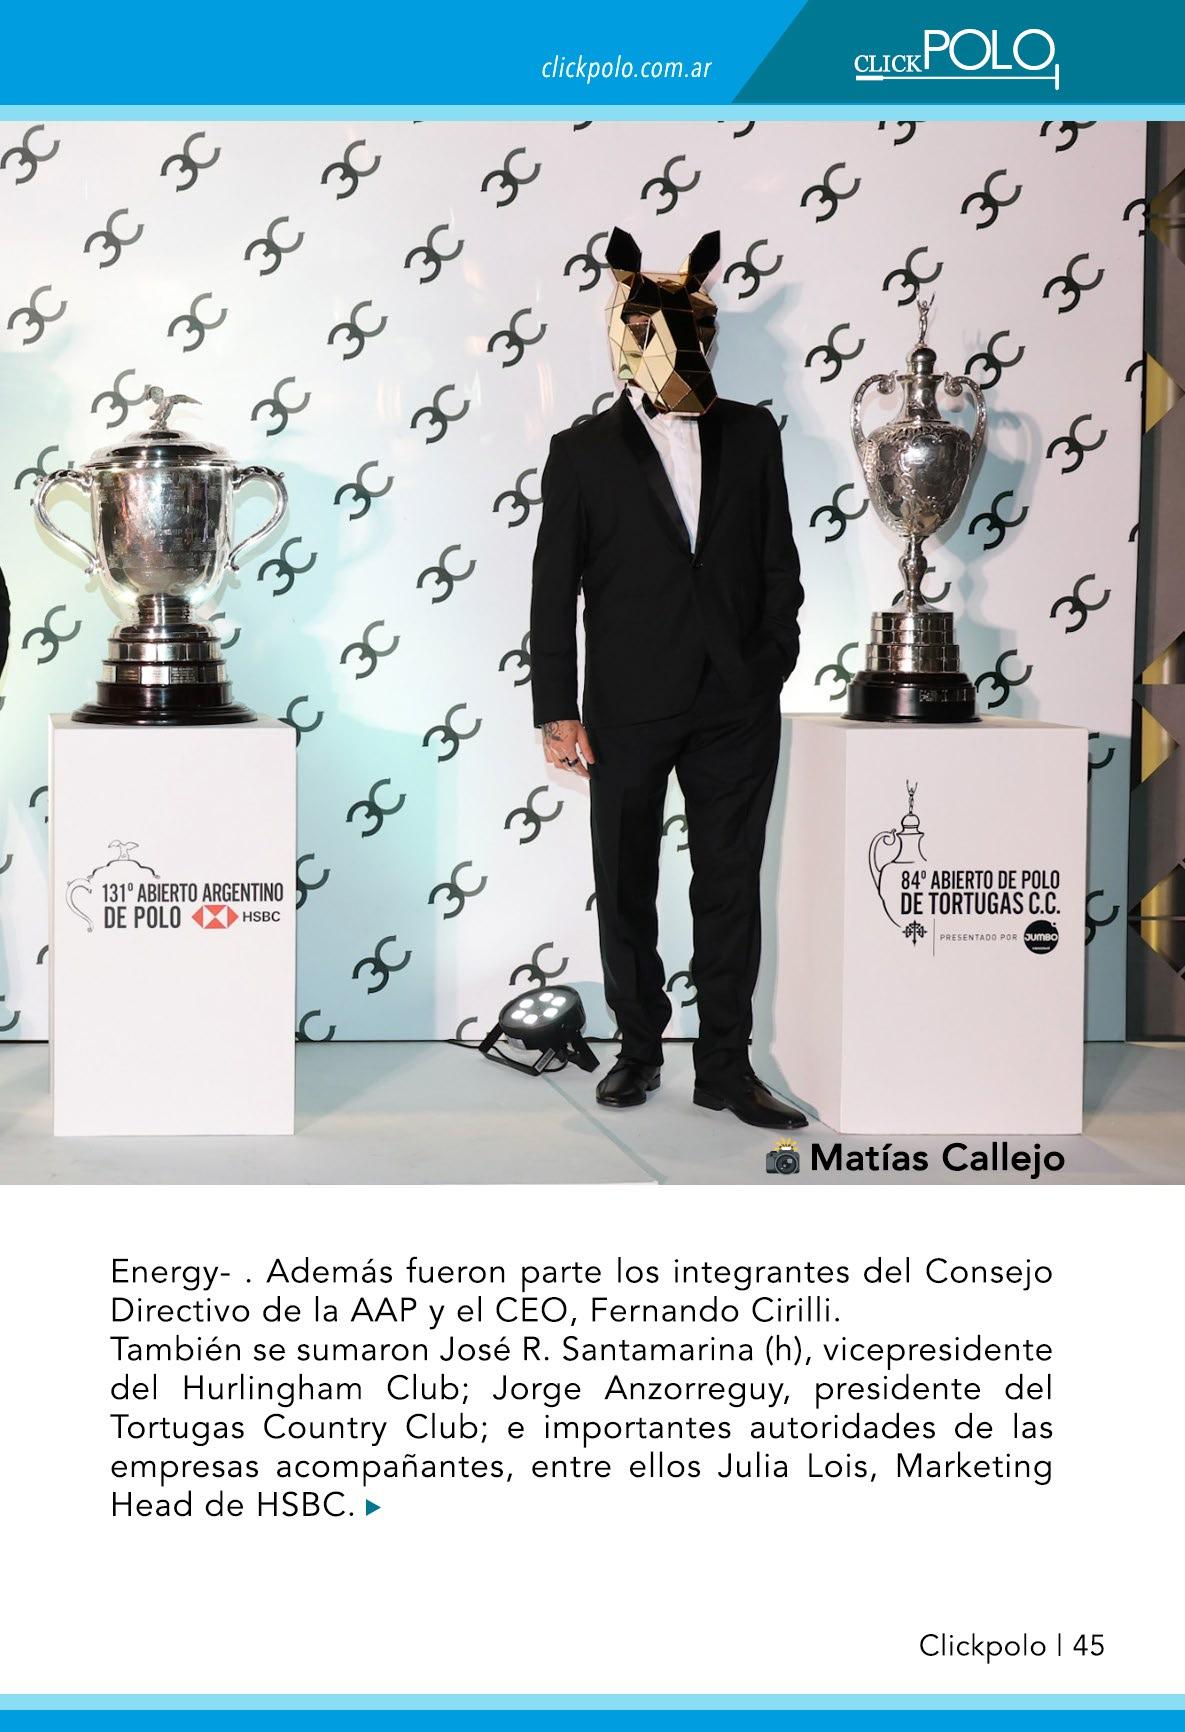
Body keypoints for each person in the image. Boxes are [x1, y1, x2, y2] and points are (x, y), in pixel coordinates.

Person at [530, 226, 807, 1132]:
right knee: (625, 882)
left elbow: (778, 563)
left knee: (729, 885)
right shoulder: (580, 452)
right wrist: (556, 710)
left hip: (737, 702)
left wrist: (770, 663)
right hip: (626, 703)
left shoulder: (753, 433)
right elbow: (553, 589)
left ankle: (726, 1066)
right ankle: (638, 1049)